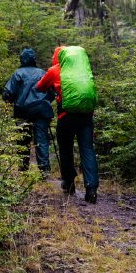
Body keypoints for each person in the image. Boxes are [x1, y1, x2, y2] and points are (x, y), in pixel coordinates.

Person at [36, 45, 99, 203]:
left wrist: (53, 87)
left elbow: (39, 87)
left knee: (65, 149)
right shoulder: (81, 69)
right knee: (87, 149)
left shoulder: (55, 70)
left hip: (66, 116)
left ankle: (69, 183)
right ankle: (91, 189)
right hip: (86, 116)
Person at [3, 48, 54, 175]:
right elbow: (52, 93)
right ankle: (44, 172)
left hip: (22, 111)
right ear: (33, 59)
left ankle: (23, 170)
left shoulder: (17, 74)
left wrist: (9, 99)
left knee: (22, 140)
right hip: (41, 110)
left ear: (21, 59)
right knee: (41, 140)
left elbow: (8, 93)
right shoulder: (42, 73)